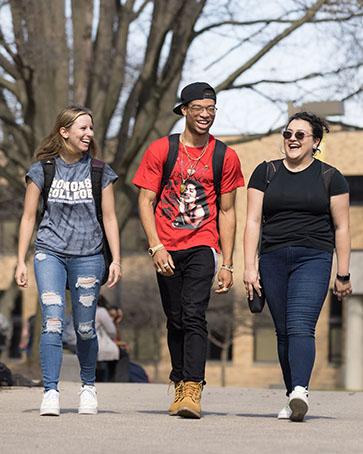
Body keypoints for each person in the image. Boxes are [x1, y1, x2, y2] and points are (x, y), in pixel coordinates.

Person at [133, 82, 244, 418]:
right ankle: (180, 381)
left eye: (211, 109)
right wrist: (155, 247)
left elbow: (227, 211)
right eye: (198, 108)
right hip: (166, 245)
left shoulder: (225, 155)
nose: (205, 115)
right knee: (175, 318)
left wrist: (228, 263)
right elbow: (145, 200)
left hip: (202, 244)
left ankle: (193, 388)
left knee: (194, 313)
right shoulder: (160, 151)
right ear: (183, 110)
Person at [243, 111, 352, 422]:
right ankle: (293, 397)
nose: (292, 139)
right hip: (273, 257)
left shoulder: (331, 177)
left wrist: (342, 273)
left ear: (315, 142)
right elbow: (252, 221)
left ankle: (300, 389)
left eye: (300, 135)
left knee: (301, 325)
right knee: (282, 332)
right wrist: (250, 267)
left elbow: (342, 227)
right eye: (288, 133)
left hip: (314, 257)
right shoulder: (265, 173)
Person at [15, 105, 121, 416]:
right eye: (82, 129)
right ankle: (50, 392)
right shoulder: (41, 170)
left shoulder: (100, 171)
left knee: (86, 327)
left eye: (91, 129)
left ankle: (88, 387)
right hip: (50, 252)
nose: (89, 134)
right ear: (64, 132)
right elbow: (27, 217)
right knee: (52, 321)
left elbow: (111, 219)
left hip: (89, 255)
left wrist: (116, 259)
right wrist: (20, 260)